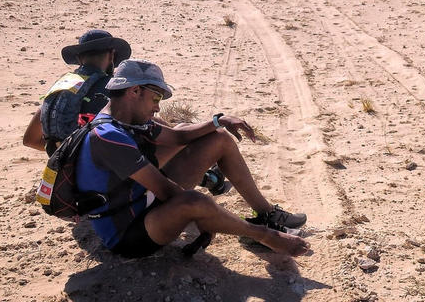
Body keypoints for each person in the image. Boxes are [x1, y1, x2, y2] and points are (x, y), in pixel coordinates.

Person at [76, 58, 309, 258]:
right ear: (134, 92)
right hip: (128, 232)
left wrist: (219, 121)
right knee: (196, 202)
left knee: (219, 138)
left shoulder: (125, 119)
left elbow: (178, 137)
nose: (157, 108)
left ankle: (266, 214)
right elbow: (168, 191)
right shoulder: (108, 137)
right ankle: (267, 236)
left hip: (142, 200)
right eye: (155, 98)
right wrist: (208, 218)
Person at [23, 29, 131, 154]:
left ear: (79, 59)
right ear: (112, 56)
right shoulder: (113, 88)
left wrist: (65, 152)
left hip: (60, 168)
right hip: (96, 168)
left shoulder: (62, 86)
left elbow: (30, 140)